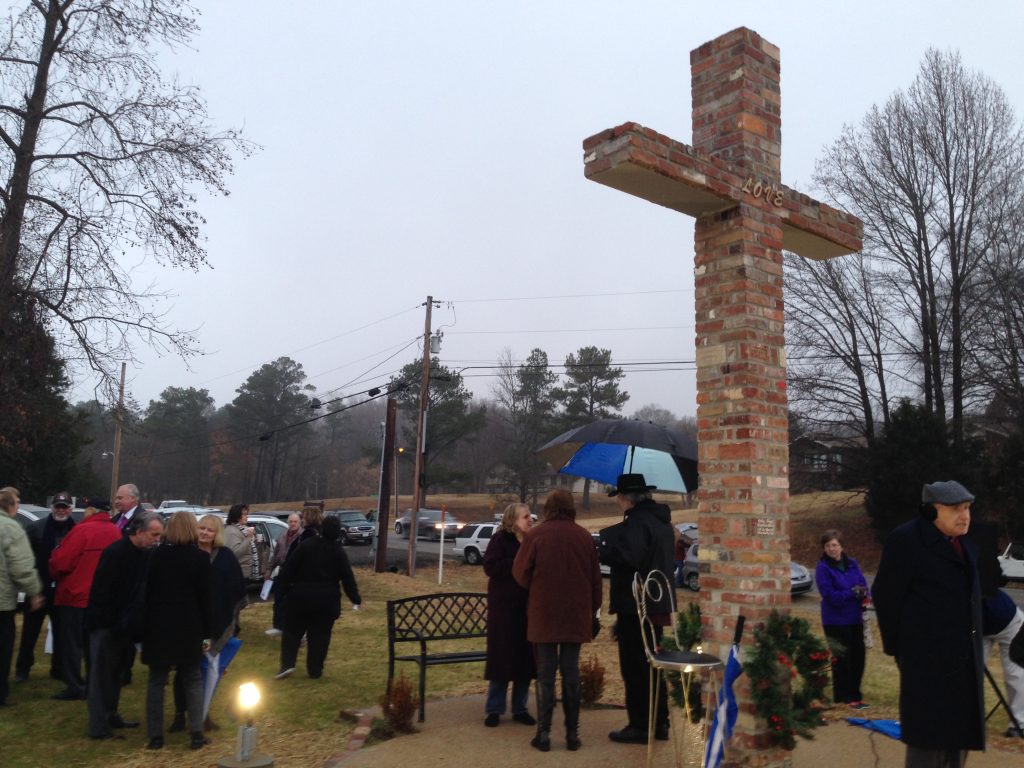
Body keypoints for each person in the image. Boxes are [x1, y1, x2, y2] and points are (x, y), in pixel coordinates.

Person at [873, 480, 985, 768]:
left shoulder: (965, 543)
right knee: (929, 739)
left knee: (959, 737)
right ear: (931, 511)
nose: (964, 516)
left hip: (964, 662)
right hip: (926, 662)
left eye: (967, 508)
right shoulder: (906, 541)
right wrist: (902, 650)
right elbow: (886, 596)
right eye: (956, 509)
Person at [513, 489, 602, 752]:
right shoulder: (584, 537)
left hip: (544, 612)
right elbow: (596, 580)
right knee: (571, 671)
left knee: (545, 673)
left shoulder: (536, 536)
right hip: (576, 613)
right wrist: (593, 610)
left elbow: (520, 573)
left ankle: (543, 734)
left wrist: (537, 587)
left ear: (548, 508)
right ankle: (572, 735)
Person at [598, 473, 675, 745]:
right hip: (657, 603)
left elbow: (629, 557)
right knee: (653, 665)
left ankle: (641, 725)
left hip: (636, 605)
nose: (619, 502)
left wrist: (605, 551)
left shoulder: (638, 523)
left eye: (619, 497)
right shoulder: (661, 521)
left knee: (635, 667)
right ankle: (660, 721)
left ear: (626, 499)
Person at [85, 512, 164, 739]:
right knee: (101, 677)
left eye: (159, 535)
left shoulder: (145, 555)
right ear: (139, 532)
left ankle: (111, 715)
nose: (157, 540)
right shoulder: (115, 553)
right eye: (154, 535)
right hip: (106, 626)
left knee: (117, 675)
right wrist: (112, 623)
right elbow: (102, 592)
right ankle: (98, 727)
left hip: (126, 627)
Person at [142, 511, 213, 751]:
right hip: (189, 626)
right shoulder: (200, 559)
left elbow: (146, 592)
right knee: (192, 678)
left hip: (158, 625)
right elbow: (206, 600)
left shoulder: (154, 556)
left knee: (156, 680)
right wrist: (207, 634)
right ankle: (196, 734)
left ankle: (155, 736)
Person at [169, 514, 246, 733]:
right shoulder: (187, 553)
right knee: (185, 669)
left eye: (209, 530)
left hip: (215, 625)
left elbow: (235, 589)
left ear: (217, 534)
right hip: (189, 623)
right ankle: (180, 714)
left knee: (210, 669)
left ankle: (203, 714)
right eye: (201, 528)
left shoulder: (226, 557)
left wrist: (232, 621)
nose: (204, 532)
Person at [48, 495, 121, 701]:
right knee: (94, 645)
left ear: (90, 510)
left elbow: (61, 562)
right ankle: (94, 683)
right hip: (101, 599)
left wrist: (53, 570)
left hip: (76, 595)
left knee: (73, 644)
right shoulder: (115, 531)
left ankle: (75, 685)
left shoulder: (81, 530)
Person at [274, 515, 361, 680]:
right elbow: (347, 577)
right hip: (326, 600)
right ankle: (315, 670)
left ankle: (287, 664)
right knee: (320, 636)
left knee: (292, 631)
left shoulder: (307, 545)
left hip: (300, 597)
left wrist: (283, 591)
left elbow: (289, 568)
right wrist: (355, 599)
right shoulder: (338, 551)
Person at [482, 502, 536, 728]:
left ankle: (520, 708)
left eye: (531, 516)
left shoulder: (533, 541)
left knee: (525, 660)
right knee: (502, 659)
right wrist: (518, 563)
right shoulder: (500, 540)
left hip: (527, 609)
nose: (530, 520)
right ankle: (494, 709)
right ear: (513, 520)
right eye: (526, 517)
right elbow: (490, 566)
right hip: (504, 611)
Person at [16, 490, 76, 683]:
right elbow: (26, 558)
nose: (61, 510)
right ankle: (23, 669)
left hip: (62, 591)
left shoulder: (76, 530)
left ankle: (58, 669)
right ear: (52, 508)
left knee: (61, 633)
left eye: (64, 507)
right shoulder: (36, 528)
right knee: (29, 633)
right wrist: (32, 588)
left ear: (70, 509)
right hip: (39, 590)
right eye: (58, 506)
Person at [815, 529, 870, 708]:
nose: (832, 549)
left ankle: (856, 695)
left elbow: (863, 585)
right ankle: (843, 697)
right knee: (842, 659)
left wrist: (864, 594)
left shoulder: (852, 563)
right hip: (835, 621)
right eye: (828, 546)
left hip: (855, 618)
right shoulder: (823, 569)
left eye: (834, 545)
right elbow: (830, 596)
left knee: (858, 657)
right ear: (824, 548)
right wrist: (851, 593)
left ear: (841, 546)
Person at [0, 486, 43, 707]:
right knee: (2, 649)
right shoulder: (11, 528)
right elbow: (22, 566)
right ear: (10, 505)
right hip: (2, 603)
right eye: (17, 502)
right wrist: (34, 591)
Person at [981, 588, 1024, 737]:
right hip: (977, 627)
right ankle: (971, 722)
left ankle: (1019, 725)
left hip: (1008, 620)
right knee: (969, 675)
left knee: (1018, 673)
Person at [264, 512, 302, 637]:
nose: (293, 524)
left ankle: (294, 627)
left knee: (293, 602)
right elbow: (275, 555)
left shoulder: (302, 537)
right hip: (282, 571)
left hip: (296, 574)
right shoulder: (282, 535)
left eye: (295, 522)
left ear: (299, 523)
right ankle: (278, 626)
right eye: (291, 521)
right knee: (278, 600)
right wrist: (269, 570)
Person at [223, 504, 260, 583]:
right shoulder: (232, 531)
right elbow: (236, 552)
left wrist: (253, 541)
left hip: (243, 572)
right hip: (238, 574)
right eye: (245, 514)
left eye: (247, 514)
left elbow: (247, 547)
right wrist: (249, 538)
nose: (247, 517)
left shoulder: (242, 529)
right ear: (237, 516)